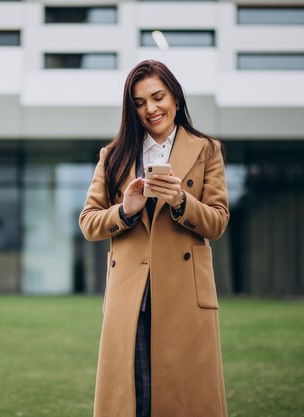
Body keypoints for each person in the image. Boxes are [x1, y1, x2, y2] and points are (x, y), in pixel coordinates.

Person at [79, 60, 230, 417]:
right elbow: (88, 222)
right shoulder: (113, 155)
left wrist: (180, 201)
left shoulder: (207, 149)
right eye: (139, 102)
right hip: (130, 294)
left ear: (175, 97)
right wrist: (126, 211)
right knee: (135, 401)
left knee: (185, 399)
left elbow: (218, 222)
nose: (150, 109)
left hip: (184, 293)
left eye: (157, 97)